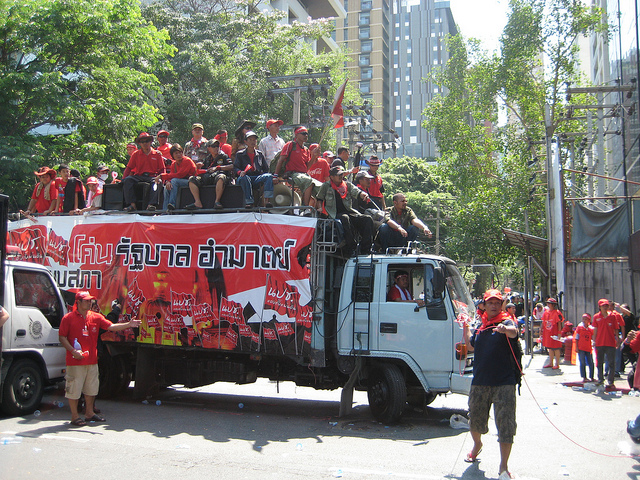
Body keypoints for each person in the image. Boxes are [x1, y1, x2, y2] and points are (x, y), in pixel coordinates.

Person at [59, 291, 140, 426]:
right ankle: (74, 417)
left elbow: (111, 326)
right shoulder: (68, 318)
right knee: (74, 390)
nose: (89, 303)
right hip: (75, 361)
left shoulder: (95, 317)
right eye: (86, 301)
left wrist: (128, 325)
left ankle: (89, 413)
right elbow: (62, 337)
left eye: (90, 300)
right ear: (78, 302)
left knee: (92, 389)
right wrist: (73, 351)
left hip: (91, 361)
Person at [463, 289, 519, 480]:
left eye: (498, 303)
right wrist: (465, 328)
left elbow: (514, 332)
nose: (494, 306)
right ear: (484, 305)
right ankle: (477, 445)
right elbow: (471, 346)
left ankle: (503, 466)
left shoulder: (506, 322)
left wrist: (505, 330)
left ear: (501, 305)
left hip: (504, 383)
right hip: (480, 382)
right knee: (474, 422)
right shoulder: (480, 325)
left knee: (506, 426)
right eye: (490, 303)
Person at [315, 165, 374, 255]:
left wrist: (363, 195)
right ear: (332, 177)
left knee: (367, 219)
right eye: (338, 175)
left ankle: (365, 249)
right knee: (344, 218)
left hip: (349, 211)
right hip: (334, 214)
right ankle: (351, 246)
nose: (341, 176)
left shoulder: (347, 185)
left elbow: (357, 192)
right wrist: (319, 207)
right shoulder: (326, 186)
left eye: (342, 174)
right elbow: (319, 198)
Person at [273, 126, 322, 206]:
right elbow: (281, 160)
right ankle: (305, 207)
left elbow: (307, 168)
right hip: (292, 174)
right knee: (308, 181)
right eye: (303, 133)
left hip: (303, 175)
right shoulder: (290, 145)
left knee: (322, 186)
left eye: (306, 134)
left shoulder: (306, 150)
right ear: (296, 135)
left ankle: (319, 210)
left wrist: (313, 156)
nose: (306, 135)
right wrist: (275, 175)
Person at [122, 132, 165, 212]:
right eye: (142, 142)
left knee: (157, 182)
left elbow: (162, 169)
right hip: (139, 176)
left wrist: (162, 179)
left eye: (146, 141)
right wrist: (123, 179)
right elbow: (129, 168)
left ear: (150, 142)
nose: (145, 143)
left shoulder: (157, 154)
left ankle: (151, 205)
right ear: (139, 143)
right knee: (128, 180)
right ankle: (132, 205)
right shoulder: (136, 154)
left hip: (152, 176)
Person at [187, 139, 234, 210]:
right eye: (213, 146)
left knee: (221, 177)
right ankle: (197, 202)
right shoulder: (208, 158)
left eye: (217, 146)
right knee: (192, 179)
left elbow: (232, 166)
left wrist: (218, 168)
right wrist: (199, 167)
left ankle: (217, 201)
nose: (216, 148)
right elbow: (204, 170)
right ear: (209, 148)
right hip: (209, 177)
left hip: (220, 177)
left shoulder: (224, 156)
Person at [234, 130, 274, 208]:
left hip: (256, 177)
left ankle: (267, 201)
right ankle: (248, 202)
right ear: (246, 142)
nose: (253, 142)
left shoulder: (260, 154)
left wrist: (269, 176)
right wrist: (240, 172)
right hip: (245, 177)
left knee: (269, 176)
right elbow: (235, 167)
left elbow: (266, 169)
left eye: (254, 140)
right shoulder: (240, 154)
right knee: (244, 178)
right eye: (250, 140)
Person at [152, 144, 197, 211]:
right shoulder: (174, 164)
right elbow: (172, 175)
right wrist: (168, 182)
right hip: (180, 181)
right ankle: (165, 210)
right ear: (172, 155)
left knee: (174, 181)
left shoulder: (187, 161)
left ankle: (172, 204)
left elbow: (180, 175)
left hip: (192, 182)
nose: (179, 155)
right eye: (176, 153)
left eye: (180, 153)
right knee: (166, 188)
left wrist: (162, 176)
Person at [593, 298, 624, 388]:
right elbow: (595, 329)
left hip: (610, 343)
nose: (605, 307)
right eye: (603, 306)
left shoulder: (613, 316)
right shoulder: (596, 317)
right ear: (600, 307)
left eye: (607, 305)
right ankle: (600, 379)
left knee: (611, 363)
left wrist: (617, 339)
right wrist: (594, 341)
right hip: (599, 343)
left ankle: (610, 381)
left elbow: (616, 329)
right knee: (599, 363)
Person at [541, 297, 563, 370]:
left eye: (549, 303)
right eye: (547, 303)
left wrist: (559, 333)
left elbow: (559, 323)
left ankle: (557, 363)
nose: (548, 304)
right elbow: (543, 321)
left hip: (555, 332)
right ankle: (550, 363)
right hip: (547, 333)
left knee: (556, 348)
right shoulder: (546, 312)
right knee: (550, 348)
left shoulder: (557, 312)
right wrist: (541, 330)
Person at [574, 313, 595, 382]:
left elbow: (593, 337)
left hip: (588, 348)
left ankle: (592, 376)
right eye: (583, 319)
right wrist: (577, 347)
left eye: (586, 319)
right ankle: (584, 377)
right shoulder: (580, 328)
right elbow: (577, 338)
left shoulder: (591, 329)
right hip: (581, 348)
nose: (584, 320)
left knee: (591, 363)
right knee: (582, 362)